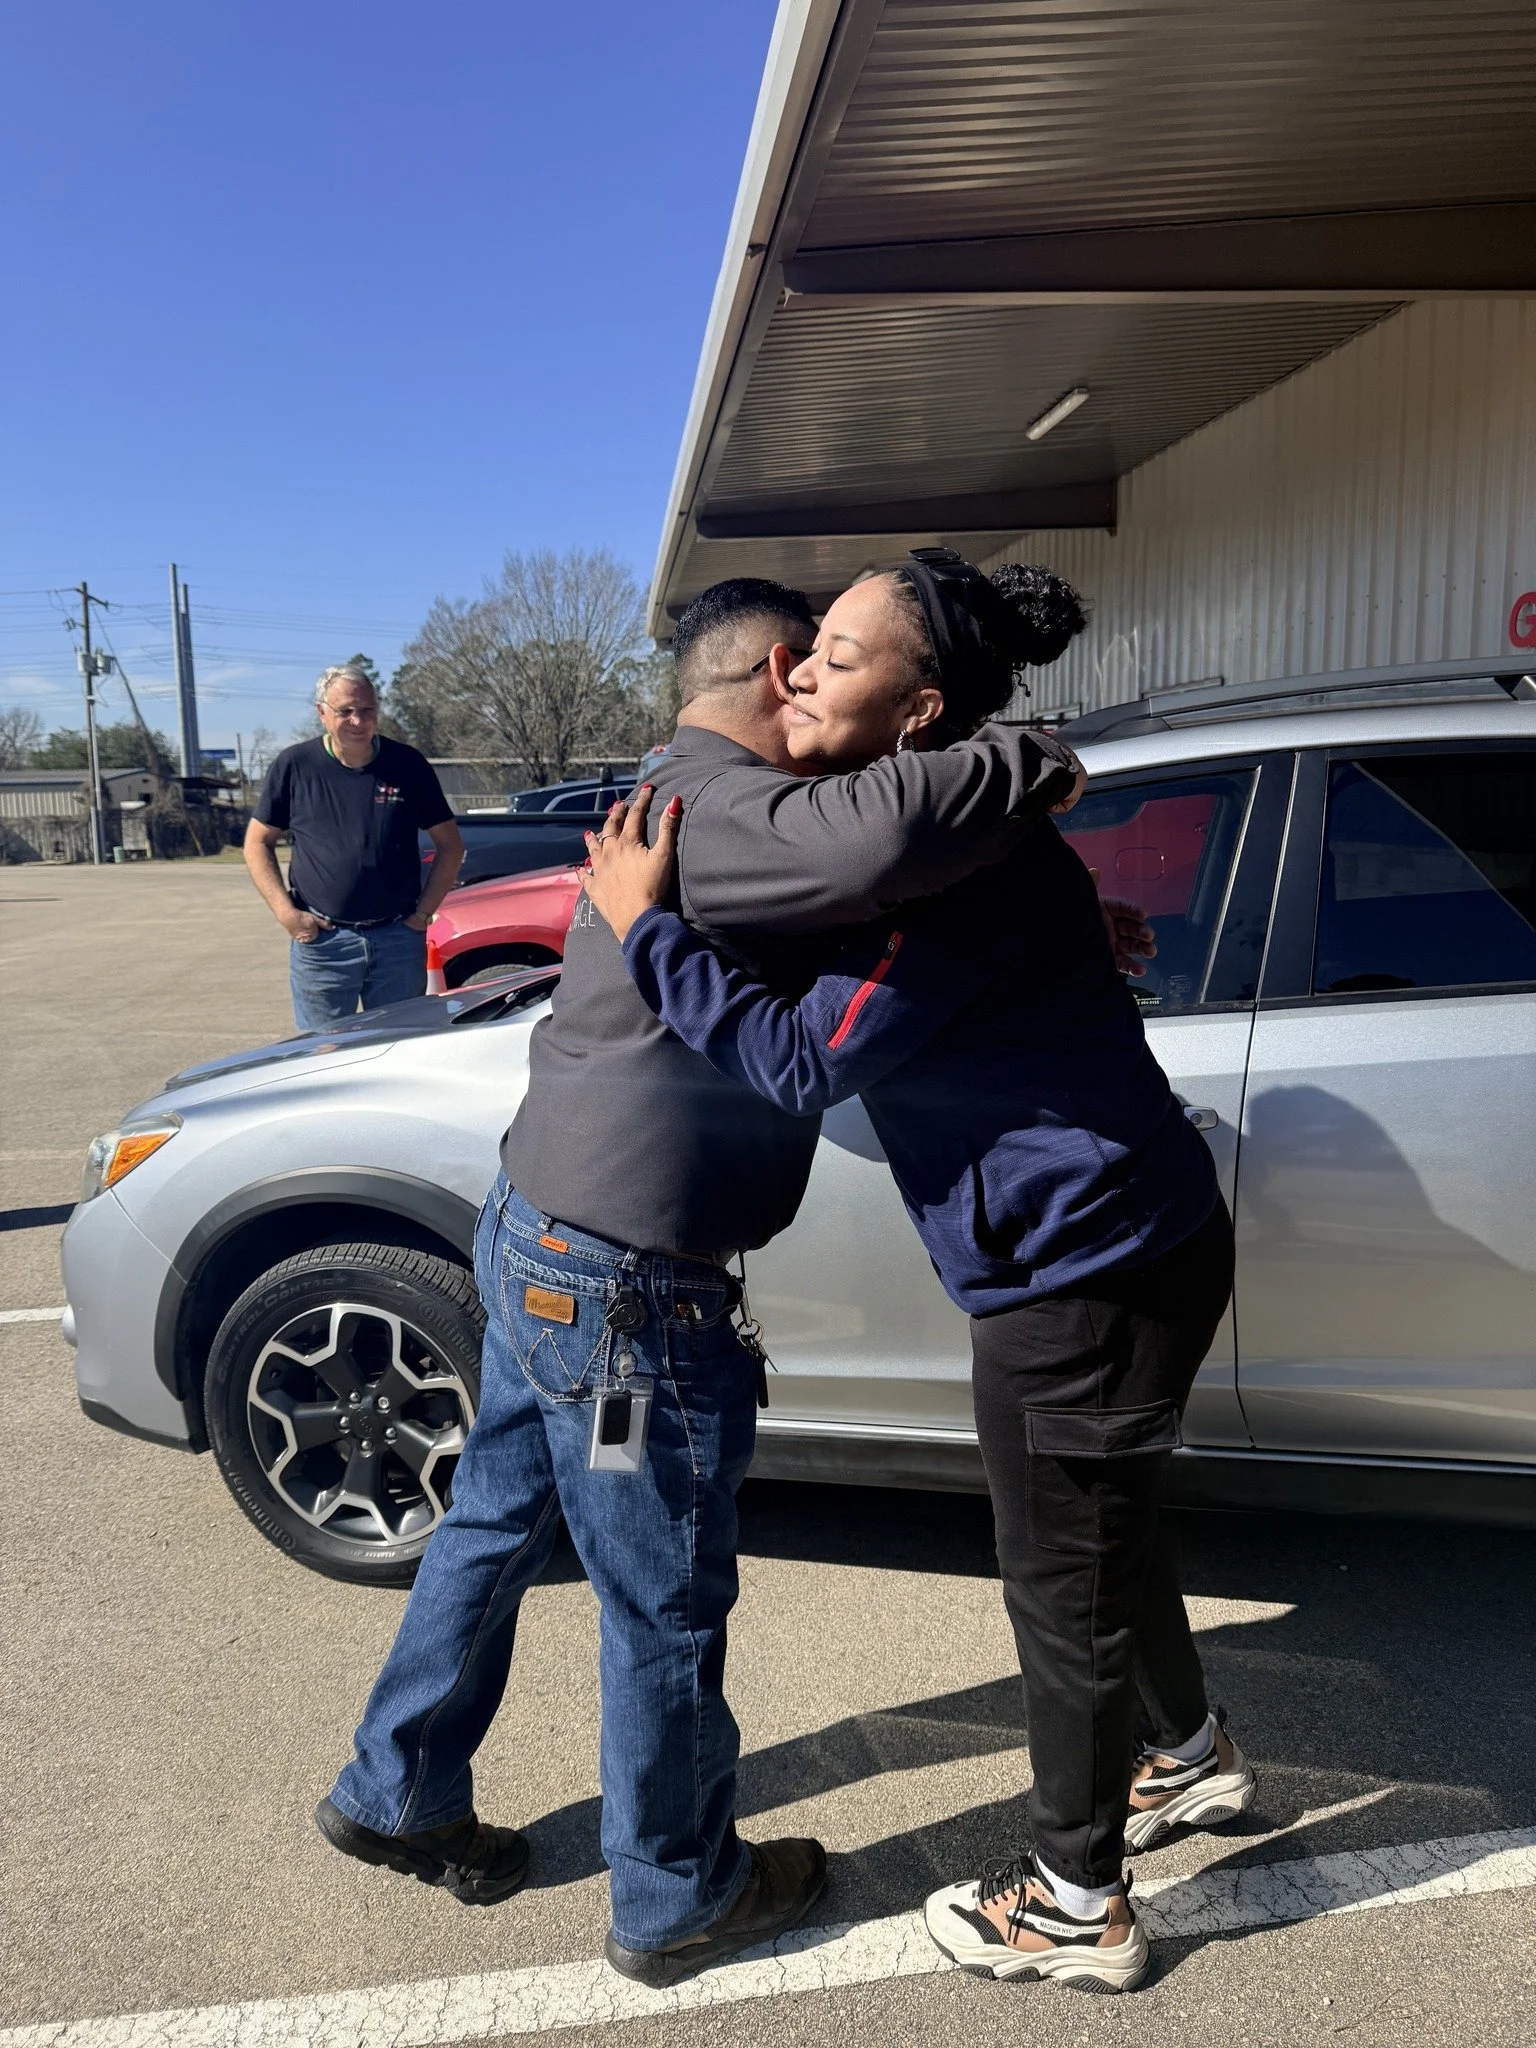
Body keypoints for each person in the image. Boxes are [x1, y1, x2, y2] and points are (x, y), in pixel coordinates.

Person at [316, 579, 1088, 1988]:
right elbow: (893, 840)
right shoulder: (729, 815)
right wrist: (1033, 754)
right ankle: (676, 1892)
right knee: (661, 1592)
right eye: (826, 663)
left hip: (541, 1235)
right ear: (786, 671)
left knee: (494, 1522)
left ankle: (397, 1782)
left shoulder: (677, 789)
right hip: (626, 1294)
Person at [580, 550, 1257, 1996]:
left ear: (921, 708)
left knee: (1059, 1584)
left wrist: (645, 931)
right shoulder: (940, 832)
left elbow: (802, 1059)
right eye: (805, 649)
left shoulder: (943, 876)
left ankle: (1075, 1900)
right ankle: (1187, 1753)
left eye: (838, 654)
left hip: (1087, 1273)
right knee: (1104, 1536)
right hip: (1123, 1238)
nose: (801, 674)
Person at [244, 664, 464, 1029]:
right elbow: (256, 843)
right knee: (325, 1052)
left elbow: (451, 845)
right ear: (322, 713)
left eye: (367, 710)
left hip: (398, 940)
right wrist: (287, 914)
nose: (358, 721)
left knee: (398, 1046)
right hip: (324, 944)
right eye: (345, 711)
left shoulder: (407, 765)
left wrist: (423, 915)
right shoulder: (295, 766)